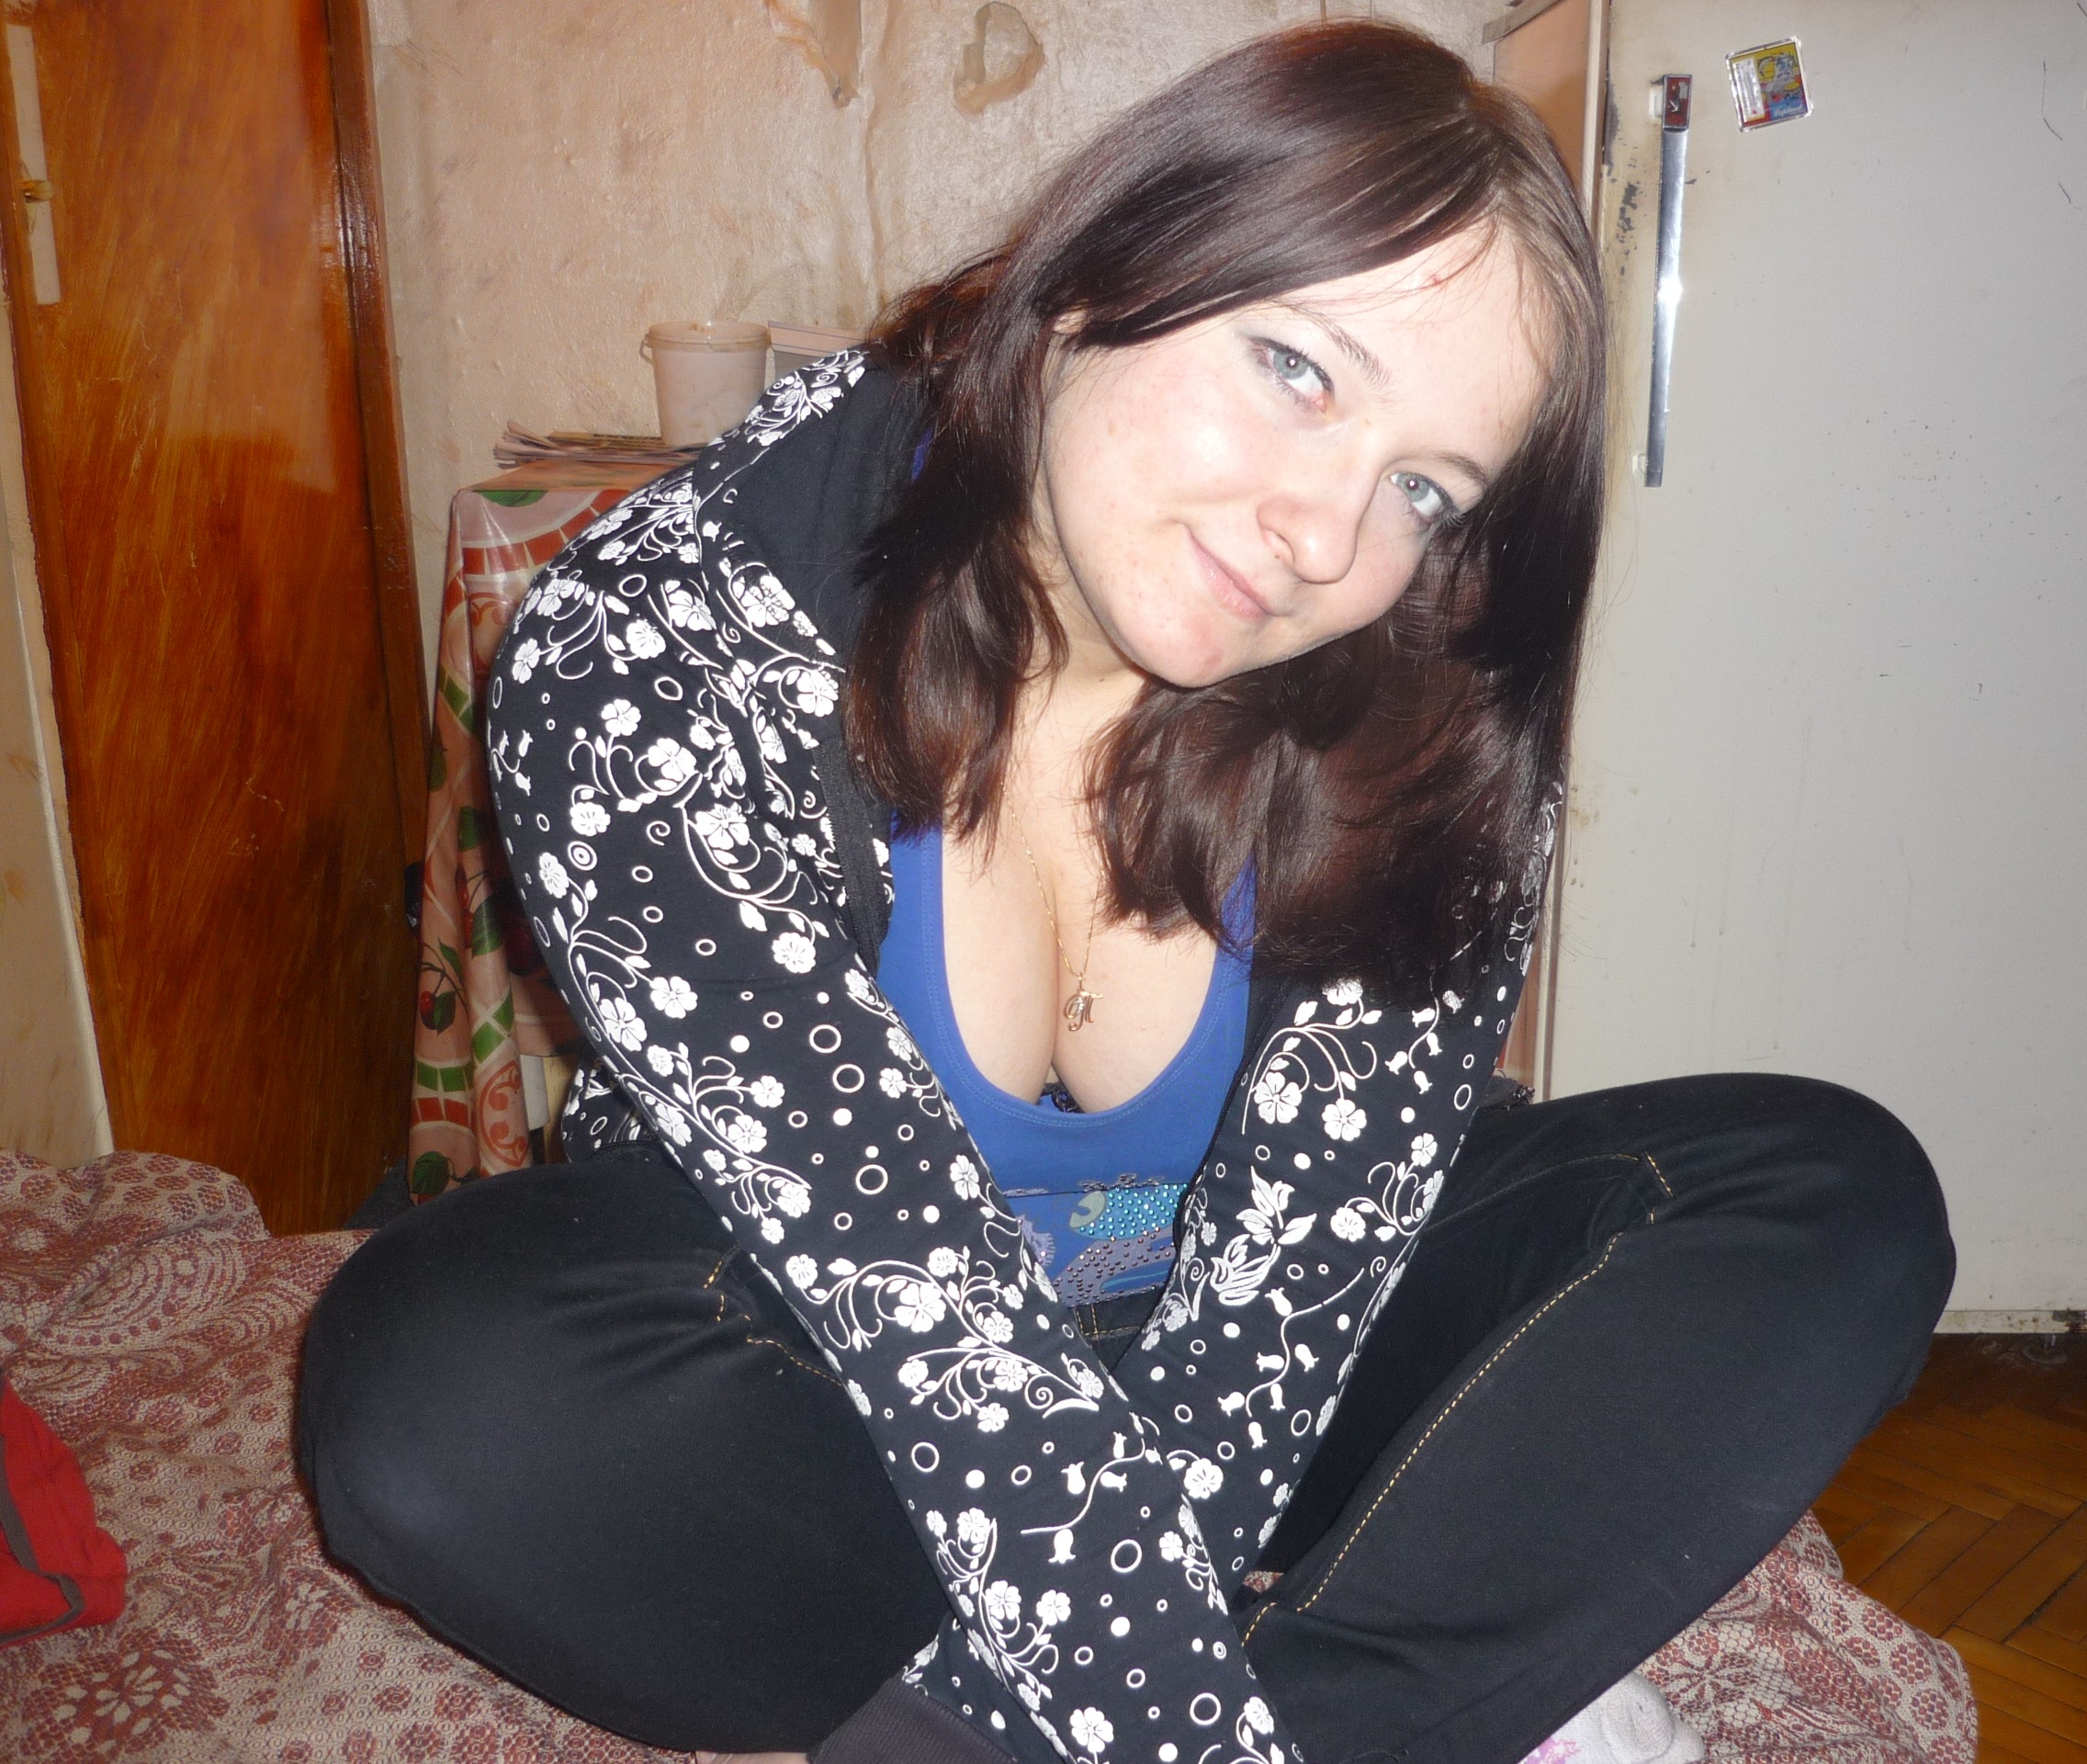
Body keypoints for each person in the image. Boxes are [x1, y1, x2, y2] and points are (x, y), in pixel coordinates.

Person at [299, 22, 1954, 1764]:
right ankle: (1360, 1679)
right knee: (447, 1396)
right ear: (1105, 271)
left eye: (1422, 488)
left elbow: (1288, 1318)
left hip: (1266, 1359)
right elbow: (927, 1334)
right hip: (841, 1371)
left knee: (1822, 1196)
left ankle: (1079, 1718)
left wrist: (1187, 1675)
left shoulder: (1424, 704)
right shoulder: (657, 654)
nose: (1327, 536)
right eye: (1297, 368)